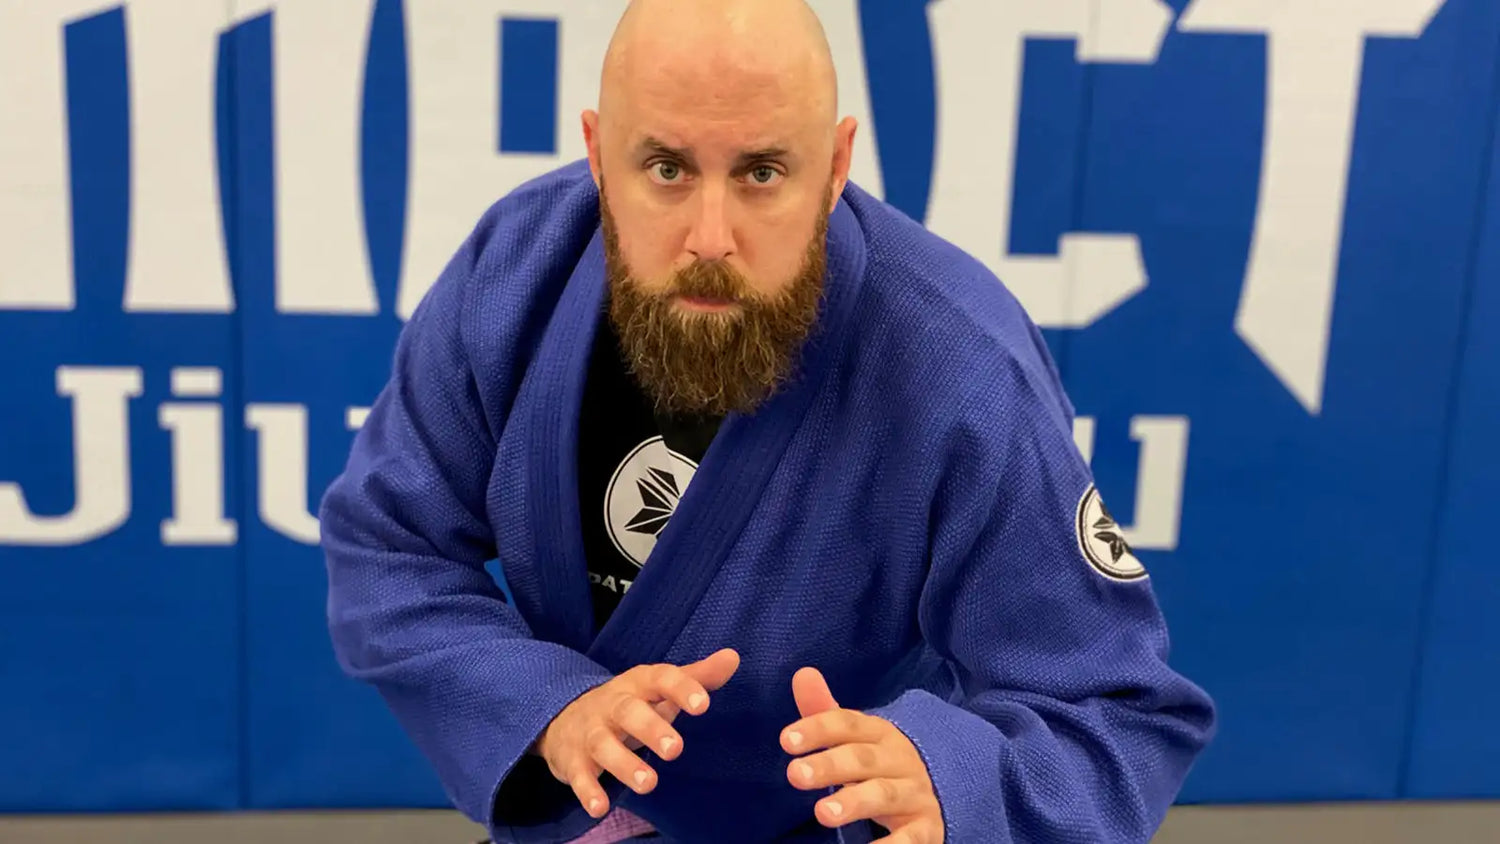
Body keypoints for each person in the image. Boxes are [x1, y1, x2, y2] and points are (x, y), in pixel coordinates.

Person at [318, 0, 1217, 841]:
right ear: (598, 158)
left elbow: (1116, 706)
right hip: (587, 818)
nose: (711, 238)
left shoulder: (960, 369)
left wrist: (952, 782)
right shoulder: (514, 274)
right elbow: (388, 546)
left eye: (761, 173)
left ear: (834, 169)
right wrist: (540, 706)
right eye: (665, 169)